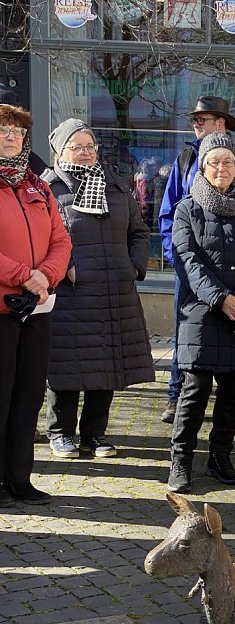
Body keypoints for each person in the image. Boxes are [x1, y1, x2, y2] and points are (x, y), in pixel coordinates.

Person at [42, 119, 154, 459]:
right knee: (66, 366)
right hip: (70, 292)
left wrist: (133, 266)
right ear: (61, 151)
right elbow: (42, 238)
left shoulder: (116, 186)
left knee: (106, 366)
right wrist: (66, 266)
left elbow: (140, 232)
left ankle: (95, 435)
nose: (86, 152)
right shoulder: (48, 189)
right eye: (76, 146)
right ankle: (60, 433)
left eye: (90, 146)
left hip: (114, 291)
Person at [167, 131, 235, 493]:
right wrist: (219, 298)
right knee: (193, 393)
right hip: (201, 313)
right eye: (214, 162)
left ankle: (220, 458)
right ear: (203, 167)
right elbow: (186, 260)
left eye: (228, 161)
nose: (222, 167)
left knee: (233, 394)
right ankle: (180, 462)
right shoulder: (187, 209)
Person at [158, 96, 235, 425]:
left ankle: (225, 400)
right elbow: (169, 213)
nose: (195, 125)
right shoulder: (187, 157)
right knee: (187, 333)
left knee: (232, 329)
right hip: (193, 269)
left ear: (220, 122)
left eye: (201, 119)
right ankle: (178, 396)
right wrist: (175, 256)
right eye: (194, 120)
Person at [0, 104, 71, 505]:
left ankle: (18, 478)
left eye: (17, 131)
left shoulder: (36, 186)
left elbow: (61, 240)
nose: (12, 137)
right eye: (4, 129)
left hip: (37, 307)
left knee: (29, 395)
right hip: (3, 309)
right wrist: (23, 274)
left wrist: (45, 275)